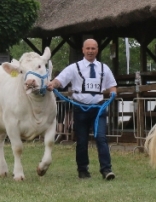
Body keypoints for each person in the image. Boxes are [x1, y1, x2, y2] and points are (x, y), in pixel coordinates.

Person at [47, 39, 118, 180]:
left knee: (101, 138)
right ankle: (83, 170)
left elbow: (112, 85)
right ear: (83, 50)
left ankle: (106, 170)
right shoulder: (74, 68)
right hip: (80, 109)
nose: (90, 51)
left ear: (97, 50)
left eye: (93, 48)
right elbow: (60, 80)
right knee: (82, 140)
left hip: (98, 109)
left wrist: (113, 92)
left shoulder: (104, 68)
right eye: (88, 48)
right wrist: (52, 84)